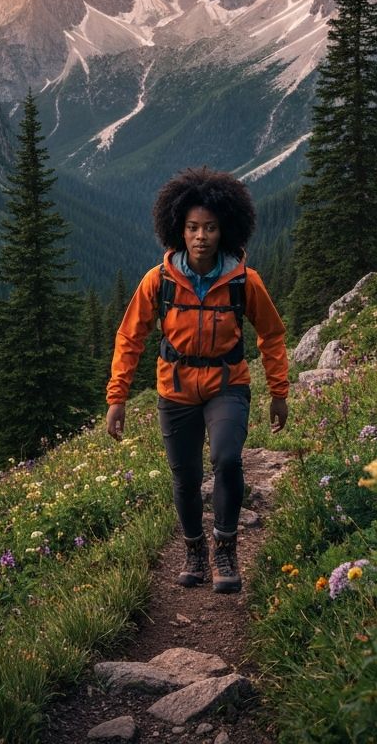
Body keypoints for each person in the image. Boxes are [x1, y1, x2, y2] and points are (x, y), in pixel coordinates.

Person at [106, 167, 289, 593]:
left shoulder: (244, 281)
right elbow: (130, 336)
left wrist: (279, 392)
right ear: (178, 230)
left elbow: (272, 333)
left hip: (228, 383)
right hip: (175, 388)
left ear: (224, 229)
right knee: (185, 477)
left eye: (209, 227)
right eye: (192, 228)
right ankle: (194, 550)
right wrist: (117, 397)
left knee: (227, 459)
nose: (201, 236)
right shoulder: (159, 281)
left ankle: (225, 548)